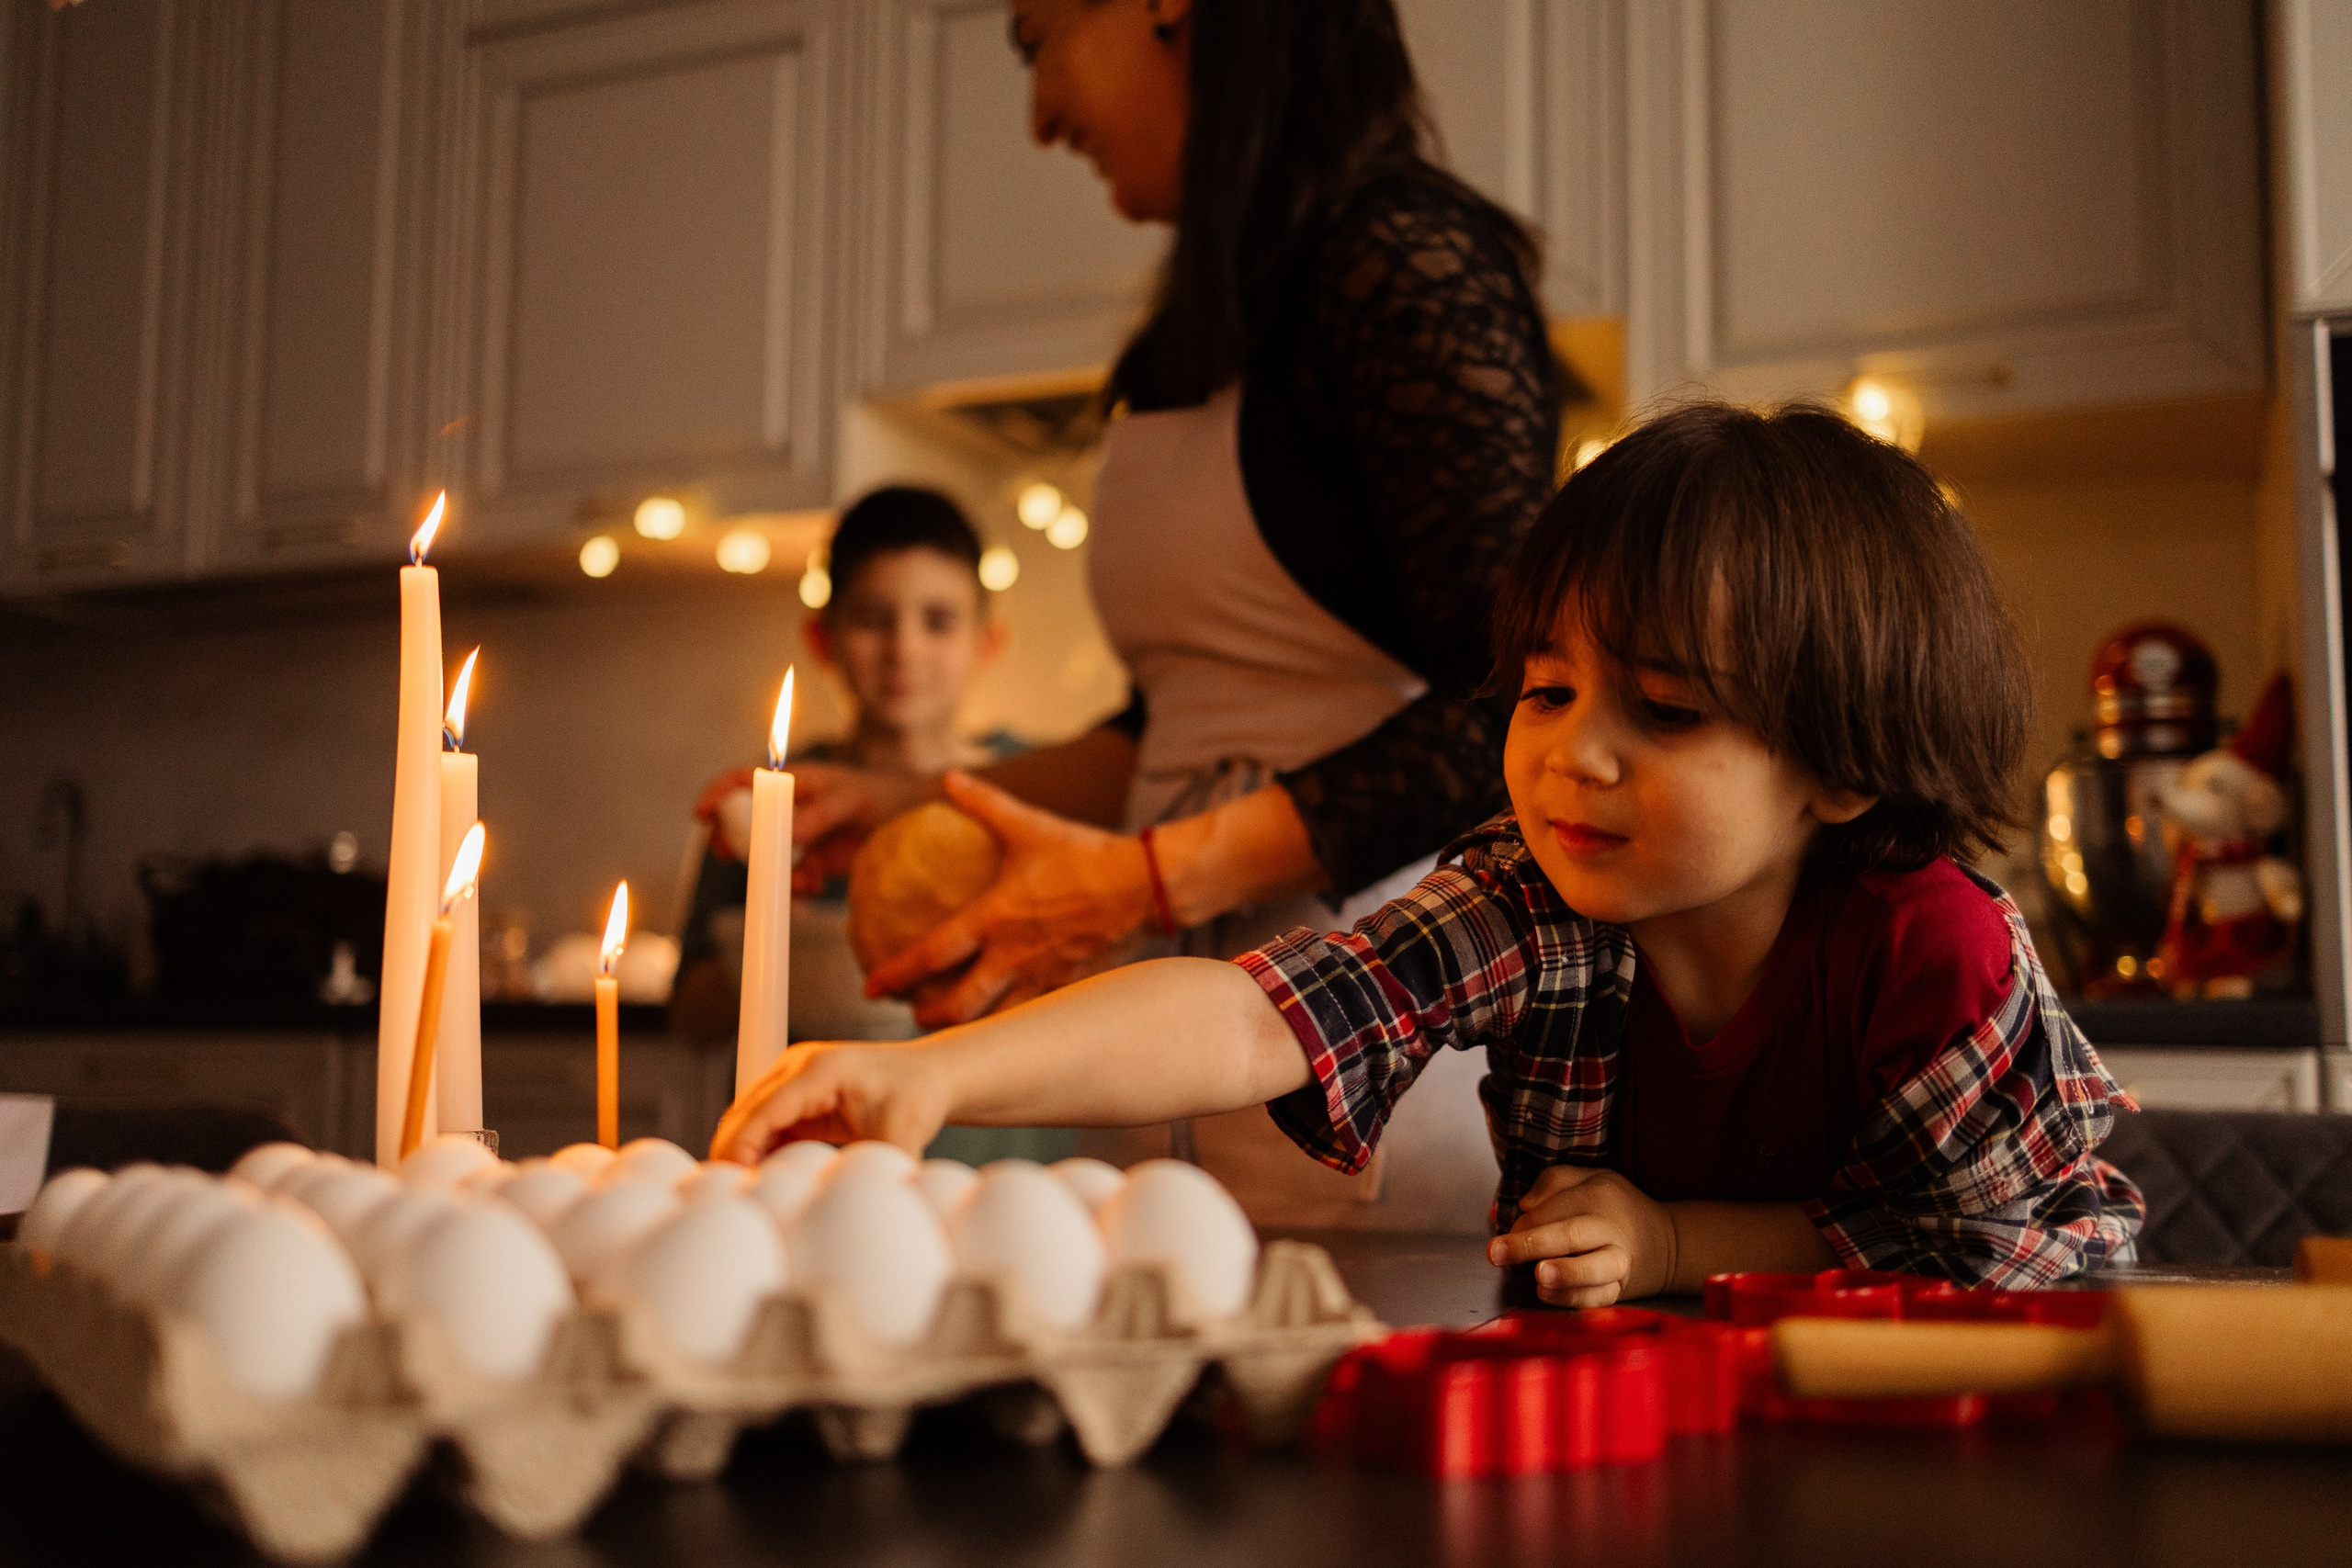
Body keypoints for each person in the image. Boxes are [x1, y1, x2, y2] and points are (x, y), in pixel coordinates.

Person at [714, 403, 2146, 1298]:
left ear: (1838, 766)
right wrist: (934, 1073)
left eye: (1666, 709)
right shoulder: (1539, 897)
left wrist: (1675, 1237)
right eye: (1544, 687)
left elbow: (2011, 1261)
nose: (1571, 753)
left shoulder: (1932, 950)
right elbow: (1259, 1009)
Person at [778, 0, 1564, 1226]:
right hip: (1170, 1042)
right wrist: (914, 801)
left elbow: (1518, 706)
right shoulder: (1209, 321)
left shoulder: (1406, 259)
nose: (1040, 119)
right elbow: (1181, 723)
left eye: (1036, 41)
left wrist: (1148, 875)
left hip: (1371, 1045)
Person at [673, 487, 1053, 1164]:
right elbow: (690, 1018)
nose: (904, 648)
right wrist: (768, 937)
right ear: (822, 638)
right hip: (809, 1157)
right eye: (874, 618)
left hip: (999, 1161)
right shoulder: (775, 804)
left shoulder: (1038, 788)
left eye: (937, 620)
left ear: (987, 641)